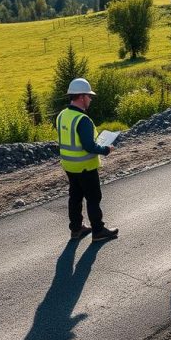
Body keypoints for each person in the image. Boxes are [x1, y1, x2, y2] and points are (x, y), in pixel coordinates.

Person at [57, 78, 119, 242]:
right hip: (85, 166)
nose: (90, 99)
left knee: (75, 197)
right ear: (82, 96)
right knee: (93, 198)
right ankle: (98, 230)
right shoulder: (82, 120)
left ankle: (76, 229)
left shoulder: (62, 115)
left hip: (69, 165)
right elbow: (89, 146)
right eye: (89, 96)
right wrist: (106, 149)